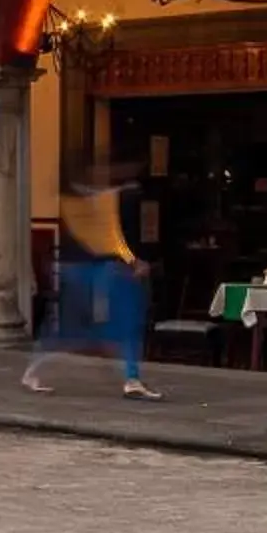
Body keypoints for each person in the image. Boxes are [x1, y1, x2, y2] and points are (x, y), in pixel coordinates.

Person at [23, 171, 162, 400]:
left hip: (97, 267)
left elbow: (108, 237)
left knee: (117, 321)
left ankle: (131, 378)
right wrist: (132, 261)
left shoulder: (84, 201)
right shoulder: (92, 201)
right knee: (82, 328)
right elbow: (108, 238)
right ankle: (130, 377)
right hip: (90, 268)